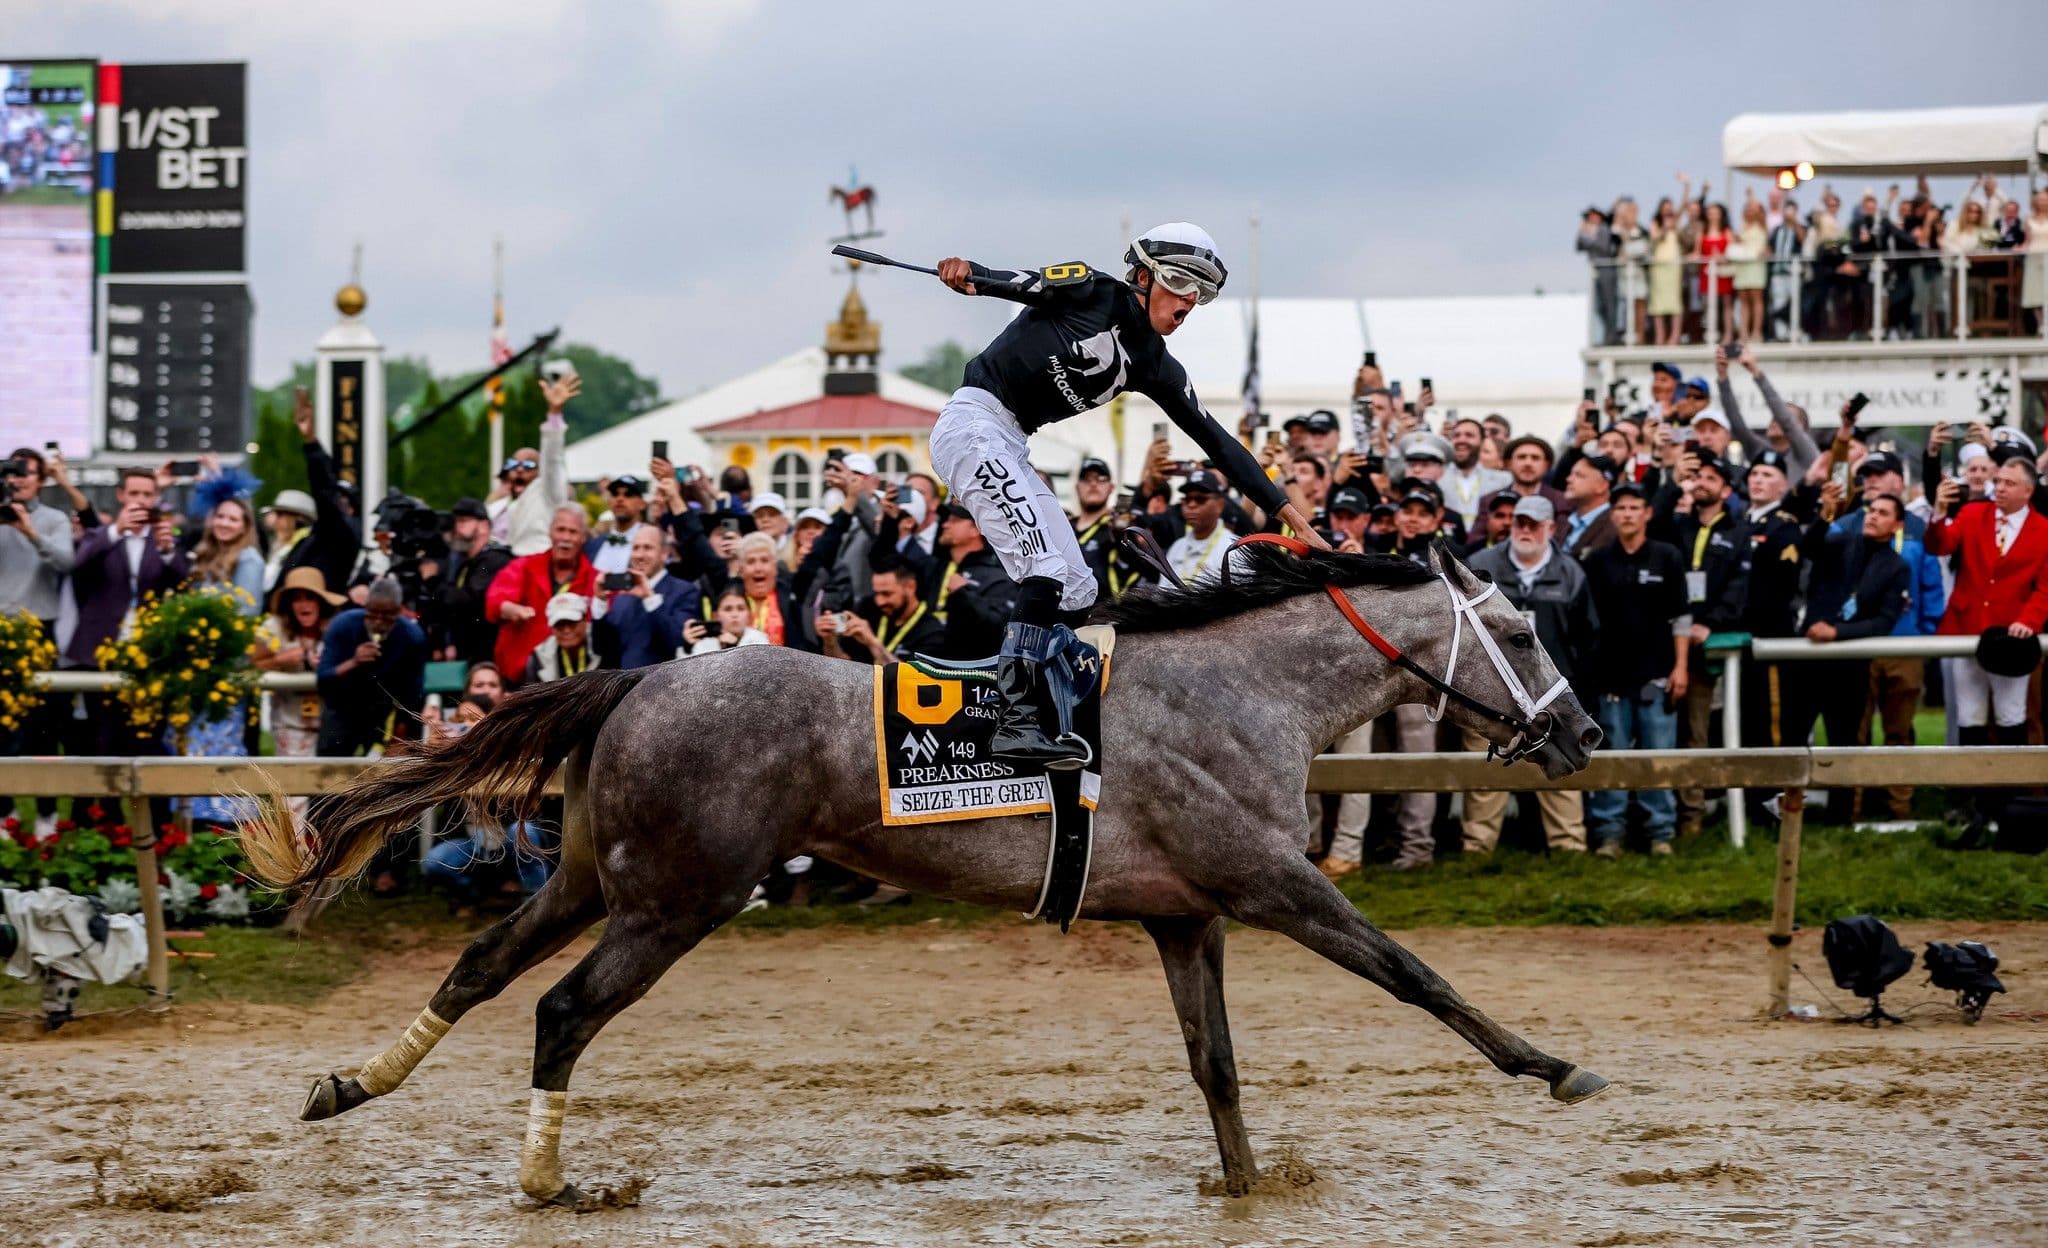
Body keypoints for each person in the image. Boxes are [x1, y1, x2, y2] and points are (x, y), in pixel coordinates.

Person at [927, 223, 1320, 766]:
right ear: (1142, 275)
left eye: (1200, 294)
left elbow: (1219, 443)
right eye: (1181, 282)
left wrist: (1295, 520)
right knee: (1045, 566)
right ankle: (1013, 717)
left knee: (1079, 590)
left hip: (1013, 443)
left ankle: (1049, 710)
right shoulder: (1093, 288)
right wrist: (970, 276)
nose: (1189, 302)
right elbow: (1021, 283)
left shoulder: (1156, 365)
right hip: (973, 422)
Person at [1461, 497, 1596, 856]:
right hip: (1491, 694)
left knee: (1564, 762)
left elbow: (1585, 637)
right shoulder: (1481, 566)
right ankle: (1477, 851)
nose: (1524, 529)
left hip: (1552, 694)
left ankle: (1570, 849)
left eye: (1533, 524)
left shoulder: (1571, 572)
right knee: (1486, 769)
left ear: (1551, 528)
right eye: (1520, 522)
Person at [1580, 483, 1691, 857]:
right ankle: (1610, 832)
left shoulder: (1668, 556)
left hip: (1658, 674)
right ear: (1612, 514)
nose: (1627, 513)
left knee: (1658, 756)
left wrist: (1681, 667)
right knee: (1611, 755)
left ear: (1647, 513)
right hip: (1610, 677)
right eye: (1621, 507)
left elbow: (1681, 617)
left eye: (1634, 507)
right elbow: (1588, 622)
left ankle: (1660, 832)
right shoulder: (1596, 559)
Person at [1788, 487, 1911, 823]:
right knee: (1793, 736)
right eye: (1872, 509)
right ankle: (1785, 810)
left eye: (1884, 513)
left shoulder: (1897, 567)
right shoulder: (1841, 543)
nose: (1873, 515)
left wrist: (1838, 633)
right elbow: (1808, 548)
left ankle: (1840, 817)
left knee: (1844, 741)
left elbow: (1884, 621)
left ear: (1898, 525)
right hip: (1808, 659)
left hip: (1850, 666)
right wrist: (1824, 515)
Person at [1653, 453, 1749, 838]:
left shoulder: (1739, 531)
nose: (1702, 482)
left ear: (1726, 489)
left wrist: (1712, 623)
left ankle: (1691, 814)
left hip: (1703, 643)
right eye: (1698, 477)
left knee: (1696, 729)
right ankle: (1655, 809)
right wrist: (1677, 483)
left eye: (1710, 478)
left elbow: (1740, 588)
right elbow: (1653, 522)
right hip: (1667, 640)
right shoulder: (1678, 524)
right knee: (1659, 730)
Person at [1926, 460, 2048, 751]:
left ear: (2028, 491)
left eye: (2009, 483)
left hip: (2011, 638)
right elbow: (1939, 545)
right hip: (1966, 629)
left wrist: (2028, 622)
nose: (2000, 488)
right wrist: (1939, 514)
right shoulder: (1972, 513)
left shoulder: (2044, 530)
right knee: (1970, 716)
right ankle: (1973, 793)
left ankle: (2008, 792)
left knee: (2011, 715)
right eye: (2000, 481)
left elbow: (2045, 589)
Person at [67, 469, 190, 754]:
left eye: (148, 494)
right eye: (134, 493)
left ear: (156, 497)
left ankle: (148, 800)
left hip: (150, 654)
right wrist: (116, 530)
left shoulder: (164, 538)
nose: (141, 501)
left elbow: (184, 585)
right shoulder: (99, 535)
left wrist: (167, 552)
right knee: (103, 742)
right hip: (100, 651)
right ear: (121, 495)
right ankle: (108, 801)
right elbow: (79, 568)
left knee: (147, 740)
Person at [421, 663, 553, 911]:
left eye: (492, 685)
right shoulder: (450, 733)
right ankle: (477, 897)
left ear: (504, 694)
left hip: (518, 833)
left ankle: (538, 909)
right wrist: (434, 735)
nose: (486, 690)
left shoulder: (523, 729)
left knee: (522, 833)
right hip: (474, 839)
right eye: (479, 685)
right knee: (435, 861)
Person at [0, 447, 76, 839]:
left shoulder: (54, 519)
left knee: (42, 726)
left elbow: (67, 562)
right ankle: (5, 814)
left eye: (24, 474)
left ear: (40, 480)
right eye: (11, 474)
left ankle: (47, 816)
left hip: (38, 627)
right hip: (1, 626)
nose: (16, 480)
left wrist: (29, 531)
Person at [252, 567, 345, 818]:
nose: (303, 605)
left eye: (310, 597)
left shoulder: (338, 628)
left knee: (333, 792)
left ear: (321, 602)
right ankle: (295, 854)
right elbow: (252, 664)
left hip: (331, 724)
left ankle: (328, 852)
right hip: (290, 721)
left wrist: (328, 663)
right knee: (294, 793)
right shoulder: (273, 628)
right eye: (297, 598)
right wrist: (284, 659)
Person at [315, 576, 428, 757]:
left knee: (397, 761)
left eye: (387, 616)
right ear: (365, 608)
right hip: (344, 704)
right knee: (331, 759)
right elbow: (324, 677)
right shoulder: (343, 625)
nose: (378, 621)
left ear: (399, 612)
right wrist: (354, 661)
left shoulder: (411, 636)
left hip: (384, 708)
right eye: (373, 613)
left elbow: (413, 691)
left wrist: (401, 730)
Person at [485, 504, 596, 680]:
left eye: (573, 532)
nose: (565, 537)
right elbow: (495, 600)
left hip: (570, 675)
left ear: (583, 537)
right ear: (550, 532)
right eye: (561, 530)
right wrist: (510, 609)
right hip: (520, 672)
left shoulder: (594, 578)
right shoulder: (525, 566)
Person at [272, 387, 362, 594]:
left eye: (343, 501)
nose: (337, 503)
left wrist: (311, 442)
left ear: (351, 510)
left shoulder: (344, 536)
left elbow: (325, 493)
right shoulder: (310, 539)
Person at [492, 372, 579, 556]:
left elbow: (553, 461)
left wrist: (554, 414)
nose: (520, 469)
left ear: (540, 472)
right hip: (514, 569)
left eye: (529, 465)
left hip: (543, 568)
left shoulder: (547, 492)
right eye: (515, 464)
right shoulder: (502, 505)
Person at [596, 523, 699, 669]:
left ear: (665, 553)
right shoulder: (622, 597)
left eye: (648, 548)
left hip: (665, 686)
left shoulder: (685, 591)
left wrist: (650, 598)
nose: (639, 555)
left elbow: (677, 642)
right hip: (624, 687)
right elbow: (601, 649)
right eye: (635, 548)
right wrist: (600, 601)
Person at [819, 562, 946, 665]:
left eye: (887, 594)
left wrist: (873, 643)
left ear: (910, 587)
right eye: (876, 593)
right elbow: (843, 667)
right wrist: (830, 641)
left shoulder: (932, 632)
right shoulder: (868, 609)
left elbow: (910, 683)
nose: (880, 601)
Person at [438, 497, 513, 666]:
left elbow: (470, 598)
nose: (457, 527)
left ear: (484, 526)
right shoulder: (465, 563)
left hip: (487, 654)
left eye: (464, 521)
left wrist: (434, 583)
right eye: (456, 521)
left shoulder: (494, 559)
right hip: (467, 652)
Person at [1439, 415, 1513, 532]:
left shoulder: (1503, 480)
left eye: (1469, 435)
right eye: (1456, 435)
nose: (1461, 440)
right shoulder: (1438, 478)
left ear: (1482, 442)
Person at [1166, 469, 1235, 584]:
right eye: (1187, 499)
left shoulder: (1233, 550)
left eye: (1200, 499)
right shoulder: (1176, 547)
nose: (1191, 505)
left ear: (1220, 505)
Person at [522, 593, 599, 685]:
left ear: (585, 620)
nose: (566, 630)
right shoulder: (539, 657)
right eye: (559, 625)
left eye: (572, 623)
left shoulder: (604, 644)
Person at [586, 474, 650, 576]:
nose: (620, 499)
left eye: (628, 494)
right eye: (615, 494)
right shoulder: (593, 545)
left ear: (642, 504)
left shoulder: (652, 543)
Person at [1560, 454, 1618, 559]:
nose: (1568, 479)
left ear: (1602, 486)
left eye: (1579, 475)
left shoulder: (1615, 525)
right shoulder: (1564, 519)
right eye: (1571, 474)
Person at [685, 587, 772, 654]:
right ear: (716, 616)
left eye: (741, 609)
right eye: (728, 609)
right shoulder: (704, 644)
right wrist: (687, 647)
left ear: (749, 615)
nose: (735, 614)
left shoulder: (760, 640)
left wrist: (734, 648)